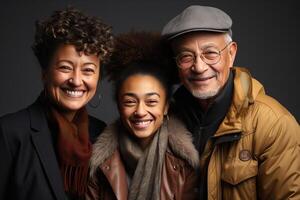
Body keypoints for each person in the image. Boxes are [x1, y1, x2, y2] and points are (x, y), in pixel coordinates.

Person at [161, 5, 300, 200]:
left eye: (210, 53)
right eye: (186, 56)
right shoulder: (163, 120)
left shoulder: (273, 124)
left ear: (231, 53)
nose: (199, 67)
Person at [0, 7, 114, 200]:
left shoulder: (101, 135)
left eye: (88, 70)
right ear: (44, 73)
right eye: (65, 68)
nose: (76, 81)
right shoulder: (9, 132)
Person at [86, 31, 199, 200]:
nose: (140, 112)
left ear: (166, 106)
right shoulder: (97, 163)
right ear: (119, 105)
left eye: (151, 102)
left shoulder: (185, 163)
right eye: (130, 102)